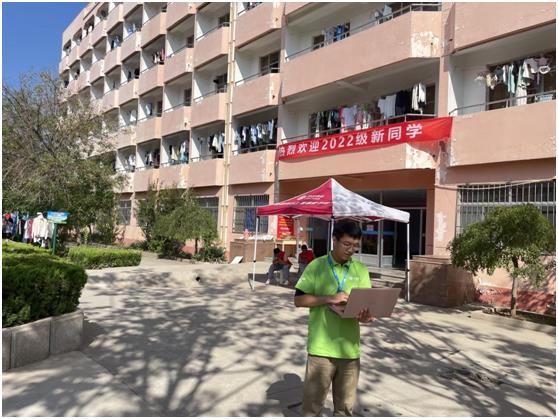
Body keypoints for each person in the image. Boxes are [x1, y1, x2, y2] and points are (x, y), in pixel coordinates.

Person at [294, 219, 374, 416]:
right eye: (347, 244)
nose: (351, 250)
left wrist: (365, 317)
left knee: (344, 410)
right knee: (312, 408)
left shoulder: (360, 270)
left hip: (349, 351)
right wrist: (329, 298)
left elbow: (366, 308)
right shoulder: (316, 266)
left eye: (355, 246)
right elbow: (299, 300)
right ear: (334, 240)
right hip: (321, 350)